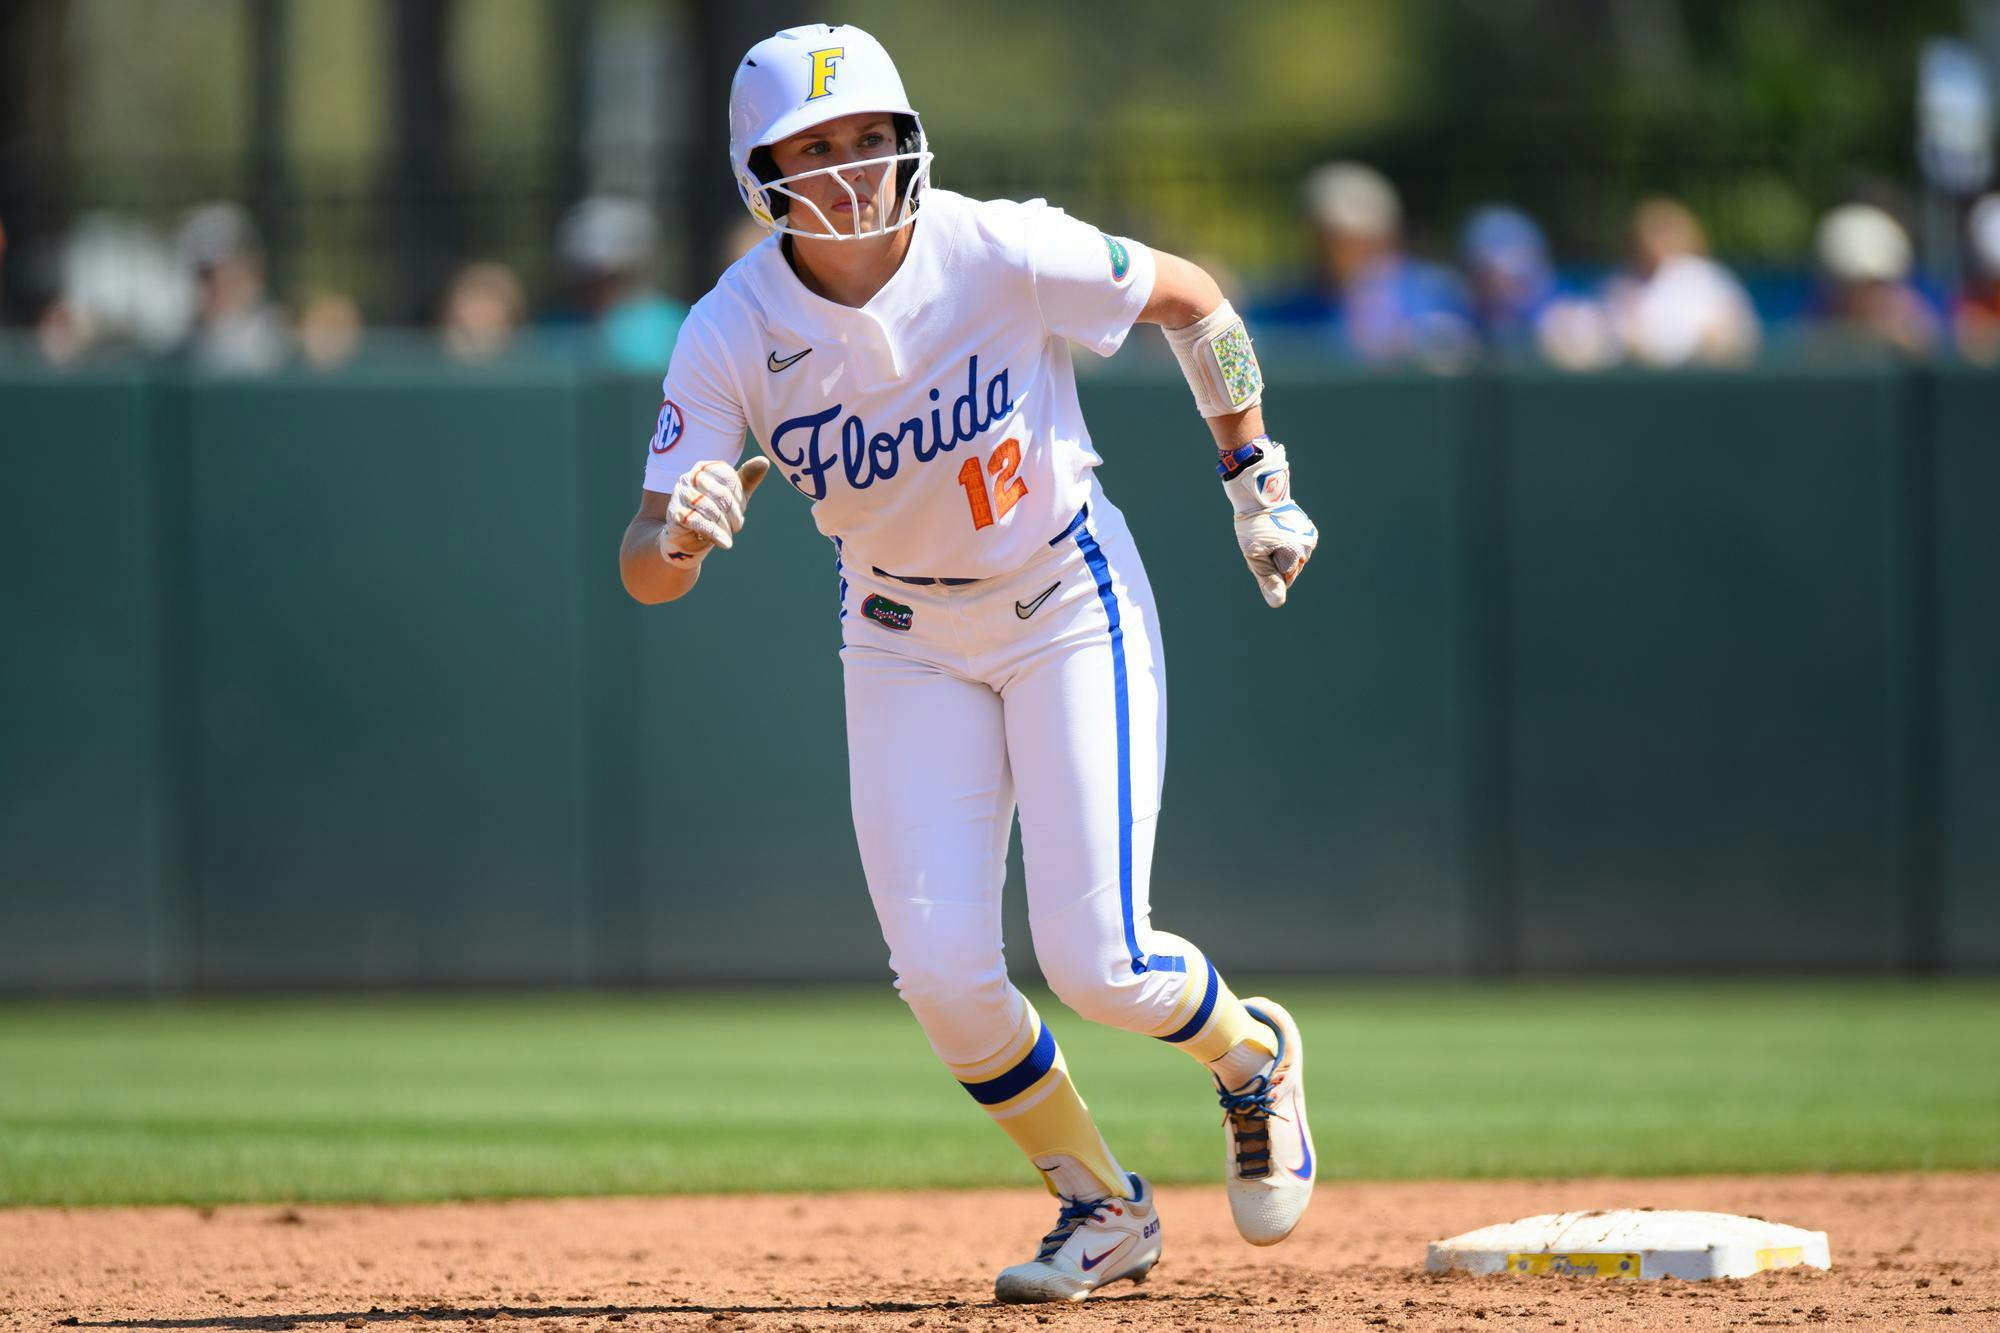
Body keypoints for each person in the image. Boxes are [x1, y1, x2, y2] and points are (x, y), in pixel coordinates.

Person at [617, 24, 1319, 1305]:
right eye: (813, 147)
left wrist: (1252, 476)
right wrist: (677, 533)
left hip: (1064, 598)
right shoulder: (730, 328)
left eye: (867, 137)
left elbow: (1192, 297)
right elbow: (643, 566)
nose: (848, 167)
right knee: (941, 977)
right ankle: (1100, 1208)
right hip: (897, 639)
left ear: (906, 139)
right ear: (757, 171)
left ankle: (1250, 1051)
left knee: (1099, 961)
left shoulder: (994, 246)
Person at [1253, 160, 1473, 368]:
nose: (1338, 251)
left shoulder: (1433, 295)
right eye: (1328, 238)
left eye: (1350, 239)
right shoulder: (1289, 308)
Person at [1602, 197, 1760, 367]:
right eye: (1653, 231)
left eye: (1666, 231)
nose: (1658, 241)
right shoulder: (1620, 285)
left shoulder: (1709, 280)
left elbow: (1739, 339)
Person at [1806, 203, 1939, 359]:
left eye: (1879, 284)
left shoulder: (1911, 314)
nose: (1873, 296)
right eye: (1859, 285)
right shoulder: (1820, 321)